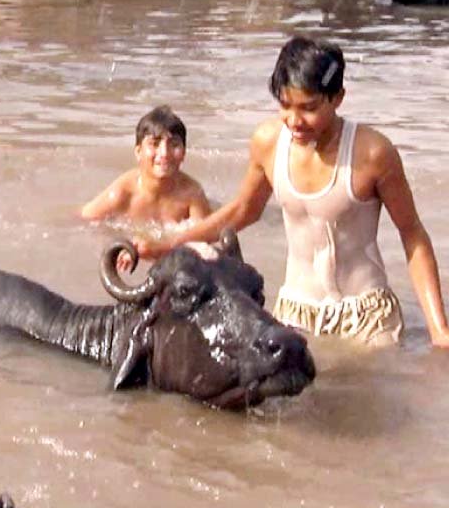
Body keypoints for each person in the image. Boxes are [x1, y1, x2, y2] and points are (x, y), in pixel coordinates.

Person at [134, 36, 449, 348]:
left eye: (309, 108)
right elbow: (244, 210)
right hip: (295, 312)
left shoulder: (373, 153)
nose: (294, 121)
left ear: (337, 97)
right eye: (285, 105)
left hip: (366, 315)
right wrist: (169, 245)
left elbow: (412, 234)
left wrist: (439, 331)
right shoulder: (268, 142)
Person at [81, 105, 211, 271]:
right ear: (138, 152)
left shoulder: (192, 194)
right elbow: (84, 220)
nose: (164, 153)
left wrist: (157, 248)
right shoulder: (122, 194)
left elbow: (205, 243)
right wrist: (119, 247)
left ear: (184, 153)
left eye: (174, 144)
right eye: (154, 144)